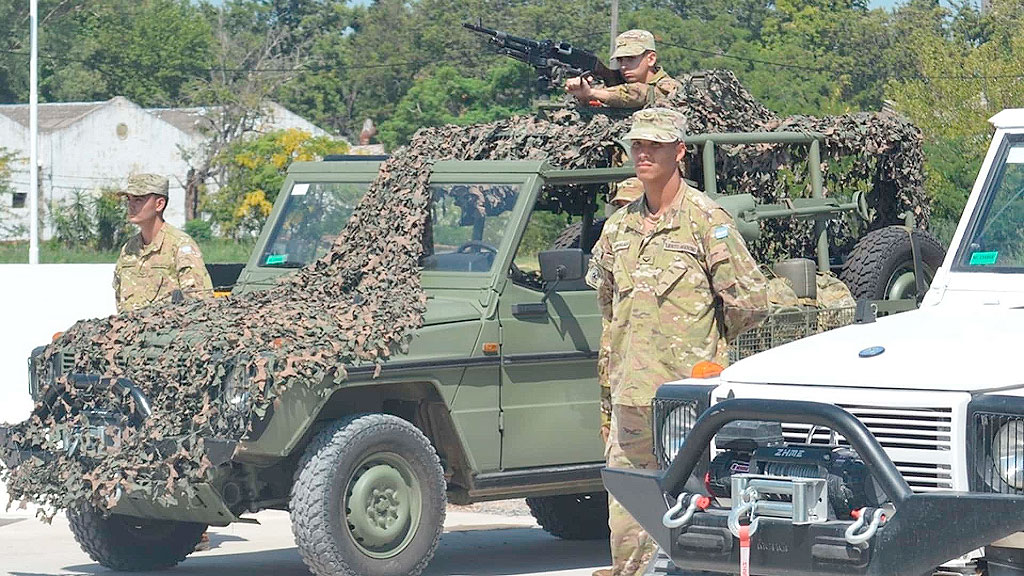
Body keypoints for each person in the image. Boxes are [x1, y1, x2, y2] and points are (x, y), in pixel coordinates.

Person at [586, 108, 769, 576]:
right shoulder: (618, 227)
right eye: (637, 145)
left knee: (696, 507)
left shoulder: (707, 221)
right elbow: (608, 305)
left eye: (655, 145)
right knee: (627, 509)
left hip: (687, 398)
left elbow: (750, 303)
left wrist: (701, 346)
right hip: (631, 395)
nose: (643, 153)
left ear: (679, 152)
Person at [113, 173, 213, 313]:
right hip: (131, 333)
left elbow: (201, 305)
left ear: (159, 204)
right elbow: (120, 302)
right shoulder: (128, 249)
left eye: (138, 200)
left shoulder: (180, 246)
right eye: (128, 200)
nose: (131, 206)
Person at [565, 29, 682, 109]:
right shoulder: (608, 87)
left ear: (651, 59)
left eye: (630, 59)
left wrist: (592, 93)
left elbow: (639, 93)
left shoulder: (669, 87)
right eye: (620, 60)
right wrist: (582, 95)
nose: (623, 66)